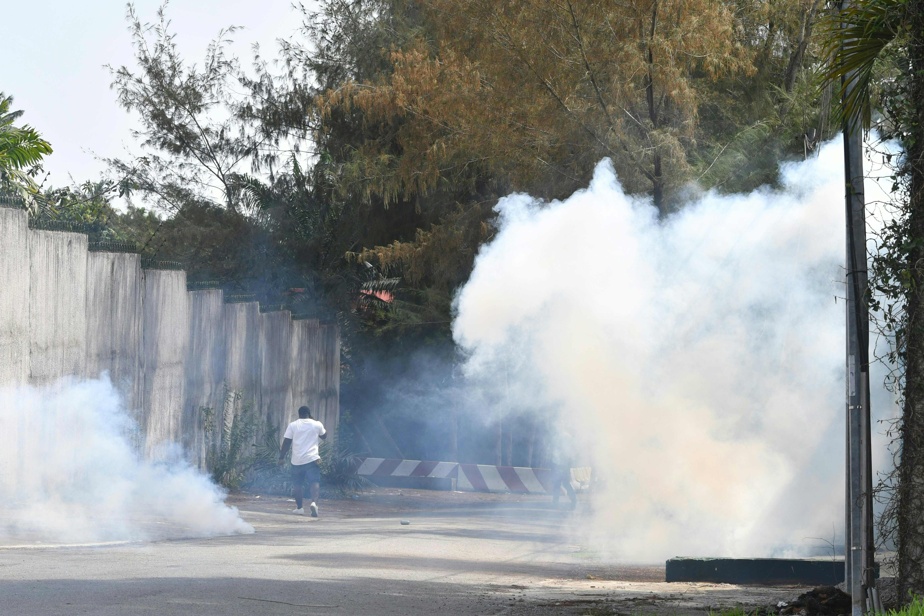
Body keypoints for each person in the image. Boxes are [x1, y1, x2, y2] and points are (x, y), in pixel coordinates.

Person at [278, 405, 327, 517]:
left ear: (299, 414)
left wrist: (281, 457)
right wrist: (315, 425)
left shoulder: (293, 425)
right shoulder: (317, 424)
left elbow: (286, 442)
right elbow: (324, 436)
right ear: (309, 414)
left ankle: (299, 508)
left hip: (297, 461)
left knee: (297, 484)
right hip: (312, 459)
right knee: (314, 482)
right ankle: (314, 503)